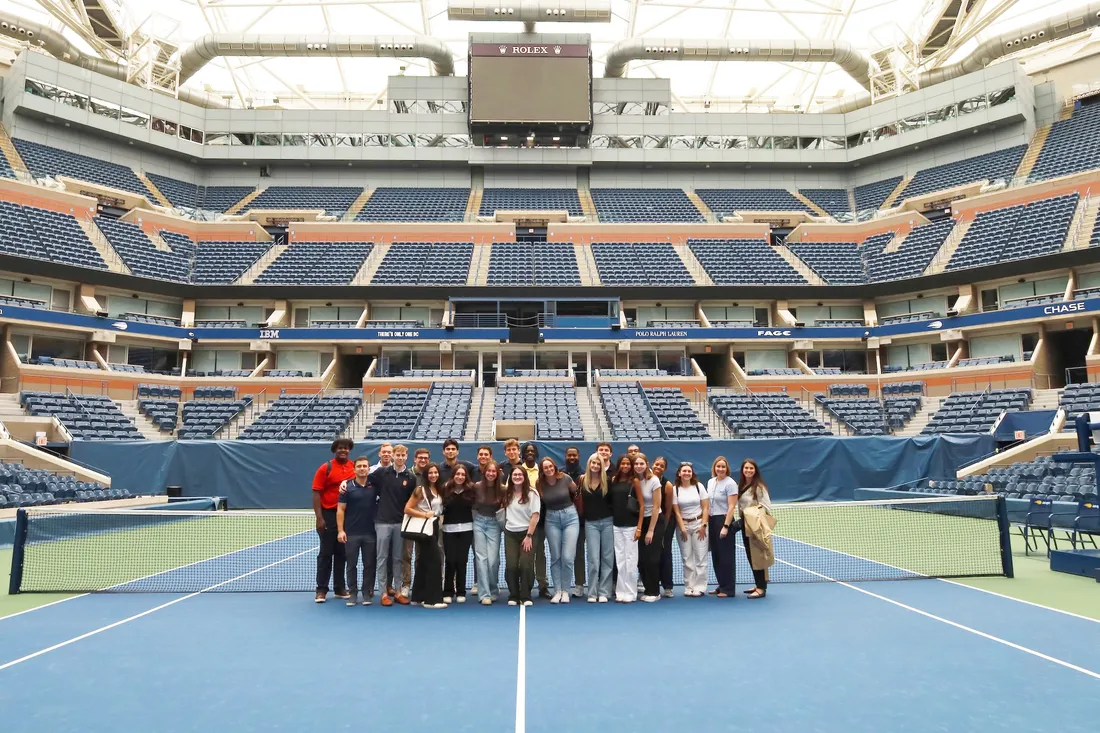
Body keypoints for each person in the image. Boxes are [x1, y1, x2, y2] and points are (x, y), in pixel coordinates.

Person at [311, 438, 355, 603]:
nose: (343, 451)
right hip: (328, 515)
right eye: (340, 448)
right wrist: (319, 518)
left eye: (346, 448)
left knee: (342, 553)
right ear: (335, 450)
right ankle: (321, 589)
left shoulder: (353, 467)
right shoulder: (325, 468)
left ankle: (339, 588)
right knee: (325, 554)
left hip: (347, 516)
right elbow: (316, 493)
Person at [373, 444, 416, 606]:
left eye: (403, 455)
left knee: (398, 558)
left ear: (406, 456)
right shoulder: (381, 473)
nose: (400, 457)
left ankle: (398, 592)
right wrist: (345, 482)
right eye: (397, 455)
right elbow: (362, 479)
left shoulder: (411, 478)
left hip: (400, 523)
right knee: (382, 558)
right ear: (393, 456)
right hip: (382, 522)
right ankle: (383, 593)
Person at [337, 456, 379, 606]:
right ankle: (353, 593)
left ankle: (367, 592)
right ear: (354, 469)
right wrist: (341, 530)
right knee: (351, 565)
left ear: (369, 468)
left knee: (369, 564)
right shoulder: (347, 487)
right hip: (351, 533)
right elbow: (340, 510)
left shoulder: (375, 485)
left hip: (370, 533)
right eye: (359, 466)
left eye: (365, 466)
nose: (362, 468)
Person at [537, 456, 580, 604]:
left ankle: (566, 591)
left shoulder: (566, 478)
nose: (548, 469)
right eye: (545, 467)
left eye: (550, 466)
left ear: (554, 467)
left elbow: (576, 491)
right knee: (555, 557)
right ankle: (558, 591)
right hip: (551, 519)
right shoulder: (540, 484)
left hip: (570, 518)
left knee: (567, 557)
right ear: (542, 470)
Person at [404, 463, 446, 609]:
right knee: (434, 562)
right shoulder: (420, 490)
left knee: (423, 562)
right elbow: (407, 509)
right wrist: (424, 515)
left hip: (434, 527)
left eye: (435, 473)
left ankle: (417, 596)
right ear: (425, 475)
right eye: (430, 473)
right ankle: (431, 600)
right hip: (424, 529)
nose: (433, 475)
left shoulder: (439, 489)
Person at [503, 465, 540, 607]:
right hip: (510, 534)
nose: (517, 477)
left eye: (520, 475)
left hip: (528, 533)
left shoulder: (532, 493)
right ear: (511, 477)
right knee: (511, 565)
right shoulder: (506, 492)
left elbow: (535, 516)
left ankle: (525, 595)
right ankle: (513, 595)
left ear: (524, 477)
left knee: (525, 564)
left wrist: (529, 535)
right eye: (514, 475)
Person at [670, 462, 709, 597]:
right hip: (683, 526)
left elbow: (705, 508)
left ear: (692, 473)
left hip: (699, 525)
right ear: (679, 474)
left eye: (689, 471)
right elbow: (677, 511)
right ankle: (689, 586)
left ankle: (700, 587)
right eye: (684, 471)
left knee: (700, 557)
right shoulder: (675, 489)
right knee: (687, 558)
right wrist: (682, 529)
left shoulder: (699, 487)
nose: (687, 473)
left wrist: (703, 525)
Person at [609, 455, 644, 603]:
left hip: (631, 526)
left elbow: (642, 505)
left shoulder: (634, 481)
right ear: (619, 465)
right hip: (616, 526)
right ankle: (620, 592)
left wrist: (639, 528)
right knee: (620, 560)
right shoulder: (613, 480)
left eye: (627, 464)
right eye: (622, 463)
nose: (625, 466)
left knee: (631, 560)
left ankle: (631, 592)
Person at [580, 453, 613, 603]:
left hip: (607, 522)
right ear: (589, 464)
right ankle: (592, 592)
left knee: (607, 558)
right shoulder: (582, 480)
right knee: (593, 559)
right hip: (590, 524)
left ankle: (604, 592)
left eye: (598, 463)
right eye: (593, 463)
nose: (595, 466)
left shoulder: (608, 481)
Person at [520, 442, 551, 599]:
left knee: (540, 553)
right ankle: (526, 585)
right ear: (523, 454)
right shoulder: (518, 471)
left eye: (533, 451)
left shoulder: (542, 471)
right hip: (520, 521)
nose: (530, 453)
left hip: (540, 519)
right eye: (527, 451)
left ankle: (543, 585)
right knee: (525, 555)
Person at [738, 459, 773, 599]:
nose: (748, 470)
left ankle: (761, 588)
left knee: (757, 555)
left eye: (751, 468)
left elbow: (766, 507)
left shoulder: (759, 487)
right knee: (751, 555)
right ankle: (759, 583)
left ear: (755, 470)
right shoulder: (741, 485)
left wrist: (753, 516)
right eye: (746, 468)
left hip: (755, 526)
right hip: (745, 525)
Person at [441, 463, 475, 603]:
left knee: (462, 560)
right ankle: (448, 591)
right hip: (448, 530)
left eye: (462, 474)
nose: (460, 477)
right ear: (453, 476)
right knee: (450, 560)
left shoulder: (471, 490)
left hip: (466, 530)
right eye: (457, 474)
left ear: (465, 476)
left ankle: (461, 591)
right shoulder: (445, 489)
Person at [472, 461, 505, 605]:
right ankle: (484, 594)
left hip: (494, 524)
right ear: (484, 472)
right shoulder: (476, 487)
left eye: (494, 471)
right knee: (481, 558)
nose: (491, 474)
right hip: (478, 522)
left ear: (497, 473)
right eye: (488, 471)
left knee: (493, 560)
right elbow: (472, 505)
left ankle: (493, 589)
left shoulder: (503, 489)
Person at [634, 453, 665, 603]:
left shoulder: (654, 480)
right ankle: (647, 588)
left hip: (655, 521)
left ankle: (654, 591)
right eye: (636, 464)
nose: (638, 466)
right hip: (640, 521)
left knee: (652, 558)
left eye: (641, 463)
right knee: (641, 559)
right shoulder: (633, 480)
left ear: (647, 464)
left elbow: (656, 506)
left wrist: (651, 530)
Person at [707, 456, 739, 599]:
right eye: (718, 466)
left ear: (727, 469)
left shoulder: (730, 483)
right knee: (716, 556)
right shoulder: (710, 482)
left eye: (723, 467)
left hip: (723, 520)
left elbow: (732, 506)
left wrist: (726, 526)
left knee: (726, 557)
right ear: (714, 467)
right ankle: (721, 584)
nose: (720, 469)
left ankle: (729, 589)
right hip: (712, 520)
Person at [563, 446, 587, 598]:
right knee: (562, 554)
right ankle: (562, 585)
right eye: (569, 455)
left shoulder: (585, 475)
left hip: (581, 520)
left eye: (574, 455)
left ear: (578, 456)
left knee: (580, 553)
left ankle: (579, 584)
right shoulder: (560, 473)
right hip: (561, 519)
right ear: (565, 456)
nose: (572, 457)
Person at [652, 456, 676, 599]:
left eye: (661, 466)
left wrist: (664, 529)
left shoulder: (667, 485)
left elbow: (667, 510)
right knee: (650, 555)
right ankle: (651, 584)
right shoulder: (646, 480)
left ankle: (667, 586)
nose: (658, 467)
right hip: (650, 522)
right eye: (656, 464)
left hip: (664, 523)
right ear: (652, 464)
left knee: (665, 553)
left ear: (665, 469)